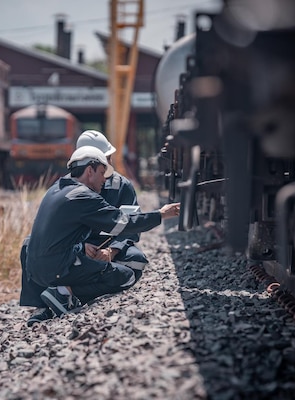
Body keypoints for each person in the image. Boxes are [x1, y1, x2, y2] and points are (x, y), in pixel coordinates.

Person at [20, 145, 180, 327]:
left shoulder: (56, 189)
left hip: (35, 271)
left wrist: (81, 248)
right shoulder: (83, 196)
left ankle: (43, 307)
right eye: (102, 172)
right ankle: (65, 293)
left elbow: (56, 235)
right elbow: (122, 223)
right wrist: (160, 214)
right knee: (125, 275)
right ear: (90, 170)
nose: (105, 179)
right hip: (58, 268)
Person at [75, 130, 148, 283]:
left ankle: (88, 282)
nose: (109, 162)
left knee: (136, 259)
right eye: (105, 158)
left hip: (111, 247)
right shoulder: (70, 188)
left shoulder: (122, 186)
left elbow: (133, 225)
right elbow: (60, 227)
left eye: (109, 157)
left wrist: (112, 250)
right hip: (78, 249)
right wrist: (81, 245)